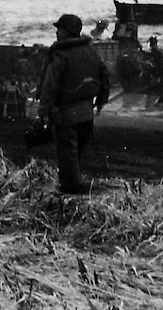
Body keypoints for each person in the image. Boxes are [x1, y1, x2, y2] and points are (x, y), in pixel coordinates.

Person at [36, 13, 110, 194]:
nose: (56, 32)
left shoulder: (60, 55)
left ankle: (70, 189)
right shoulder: (90, 51)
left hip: (65, 114)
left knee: (67, 152)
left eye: (59, 29)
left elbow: (50, 85)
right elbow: (105, 74)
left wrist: (42, 111)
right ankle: (74, 182)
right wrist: (101, 100)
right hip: (87, 112)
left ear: (67, 31)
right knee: (77, 152)